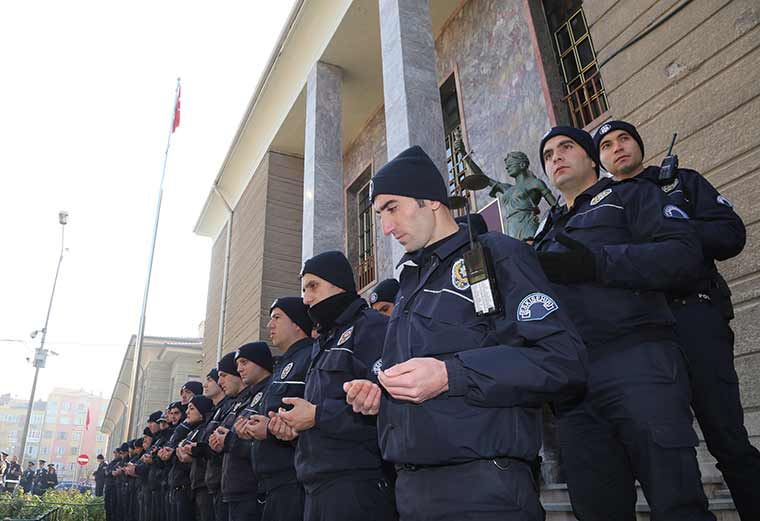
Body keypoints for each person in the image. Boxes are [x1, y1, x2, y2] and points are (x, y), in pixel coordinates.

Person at [346, 144, 587, 521]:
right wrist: (376, 392)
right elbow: (411, 374)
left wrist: (450, 374)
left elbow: (563, 361)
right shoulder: (409, 284)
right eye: (379, 215)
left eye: (392, 208)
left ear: (431, 200)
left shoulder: (498, 255)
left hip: (484, 491)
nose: (387, 228)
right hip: (410, 493)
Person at [533, 126, 714, 520]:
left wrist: (599, 262)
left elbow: (682, 256)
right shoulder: (544, 231)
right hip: (575, 384)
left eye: (566, 147)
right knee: (597, 508)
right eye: (548, 155)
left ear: (591, 158)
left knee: (676, 501)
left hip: (639, 362)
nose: (556, 157)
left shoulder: (629, 197)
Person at [594, 120, 760, 520]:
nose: (617, 148)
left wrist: (668, 226)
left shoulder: (680, 183)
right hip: (639, 337)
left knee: (728, 438)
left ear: (639, 145)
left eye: (624, 139)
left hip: (692, 317)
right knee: (662, 449)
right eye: (607, 145)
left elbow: (730, 234)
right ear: (599, 159)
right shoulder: (601, 205)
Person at [267, 251, 396, 521]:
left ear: (338, 283)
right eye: (303, 290)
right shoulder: (324, 342)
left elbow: (385, 407)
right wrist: (295, 429)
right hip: (316, 486)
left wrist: (316, 416)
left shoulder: (372, 327)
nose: (306, 299)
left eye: (313, 286)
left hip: (357, 486)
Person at [244, 297, 314, 521]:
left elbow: (308, 413)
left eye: (276, 318)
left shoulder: (310, 356)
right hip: (272, 483)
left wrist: (272, 427)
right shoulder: (282, 365)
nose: (269, 325)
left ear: (296, 323)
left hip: (294, 480)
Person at [209, 345, 272, 521]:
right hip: (231, 488)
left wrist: (229, 440)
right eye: (237, 365)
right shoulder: (242, 402)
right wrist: (217, 442)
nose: (240, 369)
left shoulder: (268, 393)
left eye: (244, 362)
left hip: (252, 489)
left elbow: (265, 445)